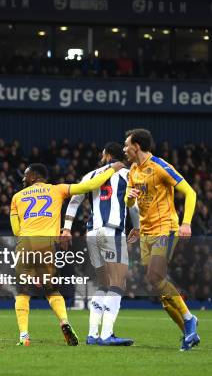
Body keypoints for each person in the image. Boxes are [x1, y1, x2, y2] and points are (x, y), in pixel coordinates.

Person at [10, 160, 125, 346]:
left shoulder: (17, 197)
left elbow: (16, 230)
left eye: (25, 174)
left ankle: (24, 336)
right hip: (47, 245)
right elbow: (89, 185)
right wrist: (112, 169)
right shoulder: (57, 190)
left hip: (25, 243)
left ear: (33, 176)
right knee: (52, 291)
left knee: (22, 293)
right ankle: (64, 321)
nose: (23, 178)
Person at [123, 128, 199, 351]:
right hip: (146, 232)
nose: (125, 149)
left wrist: (186, 223)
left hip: (166, 228)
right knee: (157, 286)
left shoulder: (161, 167)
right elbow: (130, 204)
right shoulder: (132, 172)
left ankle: (189, 318)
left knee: (154, 275)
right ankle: (187, 333)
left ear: (136, 146)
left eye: (127, 145)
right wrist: (129, 199)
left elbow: (191, 192)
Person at [62, 142, 139, 346]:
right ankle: (106, 335)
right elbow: (134, 205)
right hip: (112, 231)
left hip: (92, 233)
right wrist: (137, 227)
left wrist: (67, 228)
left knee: (103, 284)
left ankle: (93, 334)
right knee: (118, 283)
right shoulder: (126, 173)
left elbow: (74, 202)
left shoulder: (90, 175)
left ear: (106, 155)